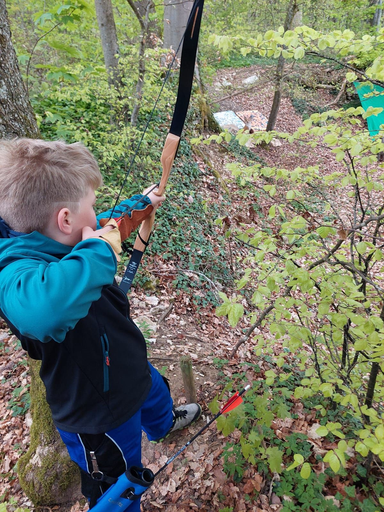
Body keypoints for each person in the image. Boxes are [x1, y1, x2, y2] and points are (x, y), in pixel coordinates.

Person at [0, 138, 201, 509]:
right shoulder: (15, 274)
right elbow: (46, 311)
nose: (97, 218)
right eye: (90, 207)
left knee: (155, 396)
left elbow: (99, 229)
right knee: (118, 485)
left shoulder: (55, 235)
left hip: (129, 366)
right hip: (97, 414)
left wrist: (138, 207)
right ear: (64, 219)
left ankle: (163, 425)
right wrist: (101, 248)